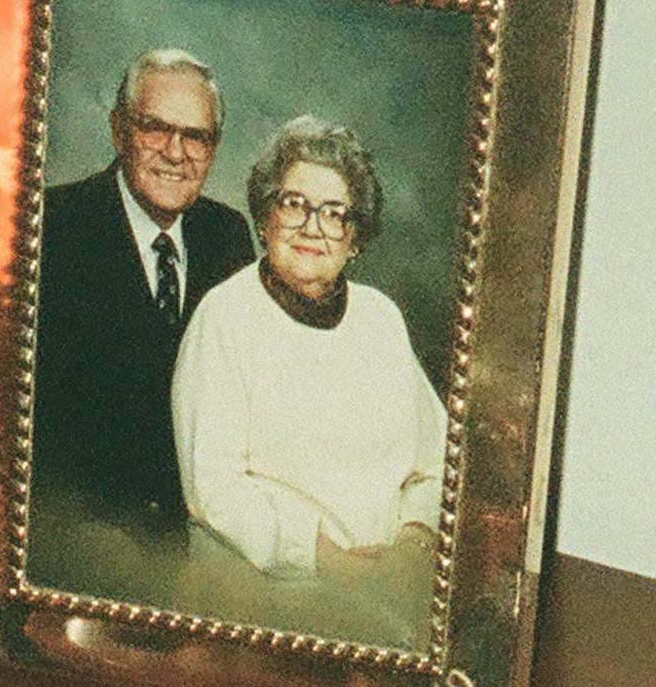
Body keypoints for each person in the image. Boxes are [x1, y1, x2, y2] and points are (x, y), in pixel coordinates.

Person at [169, 117, 447, 577]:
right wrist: (326, 559)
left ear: (354, 239)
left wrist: (413, 540)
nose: (313, 228)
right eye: (295, 204)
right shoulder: (224, 315)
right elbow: (213, 491)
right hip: (264, 590)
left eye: (335, 213)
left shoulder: (381, 318)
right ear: (265, 219)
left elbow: (437, 460)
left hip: (387, 578)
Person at [31, 50, 256, 530]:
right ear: (119, 130)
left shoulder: (228, 236)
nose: (175, 152)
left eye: (195, 136)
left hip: (202, 528)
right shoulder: (50, 228)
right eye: (156, 128)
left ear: (213, 149)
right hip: (80, 531)